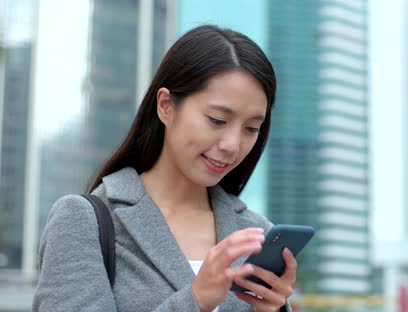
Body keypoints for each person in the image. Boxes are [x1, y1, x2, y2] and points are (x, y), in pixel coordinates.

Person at [33, 25, 295, 312]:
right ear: (166, 106)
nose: (232, 145)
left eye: (251, 128)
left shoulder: (258, 234)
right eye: (217, 120)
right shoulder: (84, 222)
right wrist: (195, 301)